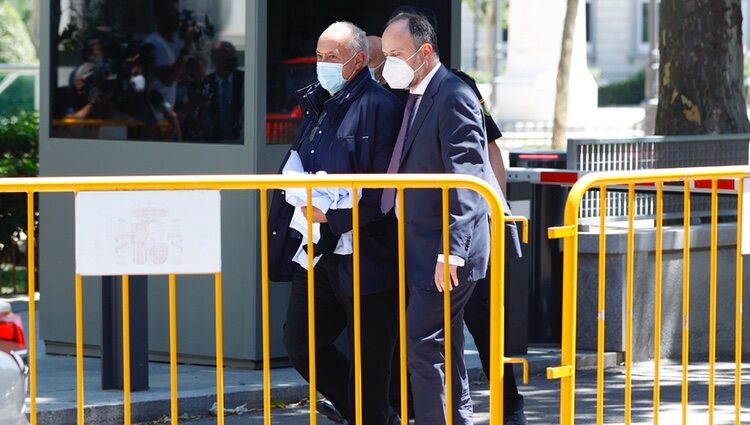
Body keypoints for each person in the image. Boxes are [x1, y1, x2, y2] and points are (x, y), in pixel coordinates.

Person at [267, 21, 403, 425]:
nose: (321, 64)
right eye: (319, 56)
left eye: (332, 58)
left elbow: (386, 190)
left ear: (358, 61)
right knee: (301, 342)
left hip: (367, 253)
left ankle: (373, 415)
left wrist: (336, 214)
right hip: (318, 249)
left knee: (371, 365)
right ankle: (364, 413)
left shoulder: (381, 107)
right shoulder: (318, 102)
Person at [381, 12, 490, 425]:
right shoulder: (418, 95)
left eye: (396, 54)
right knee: (443, 345)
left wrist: (453, 252)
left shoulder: (452, 94)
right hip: (426, 246)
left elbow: (467, 177)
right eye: (386, 53)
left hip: (446, 250)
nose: (388, 62)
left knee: (423, 343)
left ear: (424, 53)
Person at [199, 41, 244, 142]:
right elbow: (203, 112)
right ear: (215, 60)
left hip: (240, 141)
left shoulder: (244, 79)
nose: (231, 59)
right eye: (226, 56)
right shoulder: (208, 82)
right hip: (215, 141)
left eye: (232, 55)